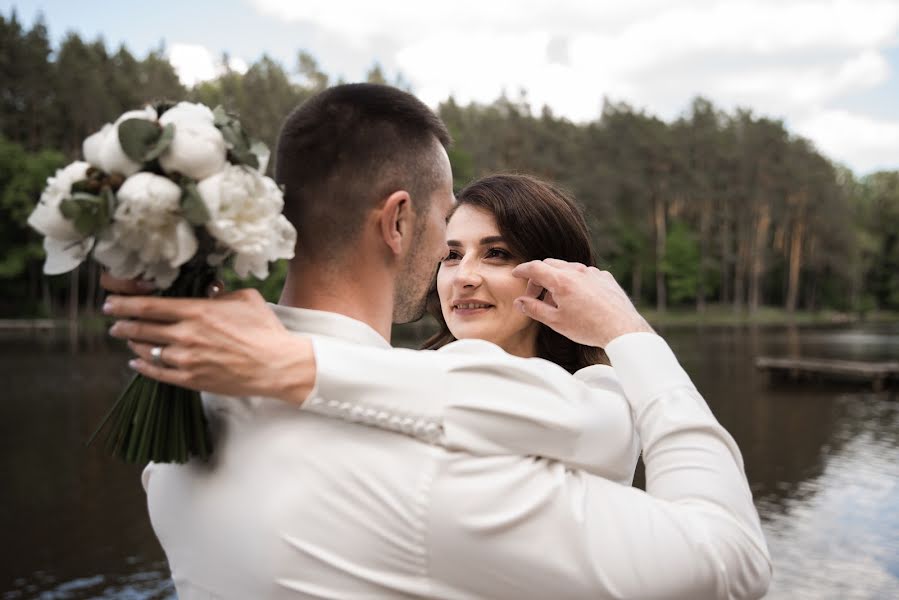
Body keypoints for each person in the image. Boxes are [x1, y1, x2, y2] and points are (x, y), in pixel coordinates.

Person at [102, 83, 772, 598]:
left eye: (496, 252)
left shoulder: (179, 419)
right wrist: (631, 336)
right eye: (446, 230)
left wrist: (304, 364)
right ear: (398, 221)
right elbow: (729, 562)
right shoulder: (438, 468)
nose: (462, 273)